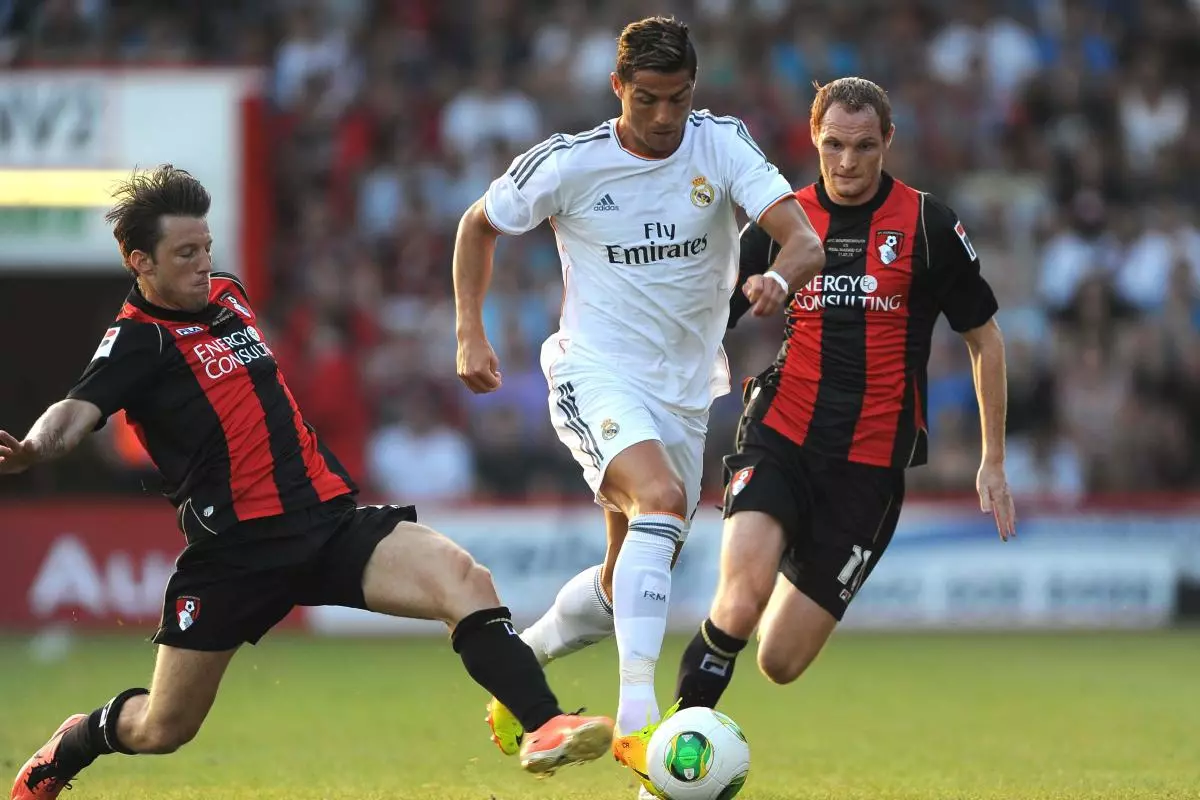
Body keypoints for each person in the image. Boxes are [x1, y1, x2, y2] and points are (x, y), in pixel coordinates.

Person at [3, 166, 613, 800]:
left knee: (465, 580)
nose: (202, 264)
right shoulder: (136, 341)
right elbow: (76, 410)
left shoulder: (230, 295)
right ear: (140, 262)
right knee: (164, 727)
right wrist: (34, 449)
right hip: (236, 554)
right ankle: (73, 742)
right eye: (184, 254)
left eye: (206, 248)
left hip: (324, 520)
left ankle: (543, 726)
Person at [451, 14, 825, 795]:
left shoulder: (719, 143)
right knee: (660, 501)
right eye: (647, 99)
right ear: (616, 87)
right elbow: (477, 225)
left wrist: (778, 281)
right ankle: (634, 724)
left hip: (687, 391)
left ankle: (518, 676)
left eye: (678, 99)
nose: (663, 118)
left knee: (631, 574)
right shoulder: (570, 163)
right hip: (596, 371)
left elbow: (803, 240)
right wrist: (470, 333)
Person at [672, 77, 1018, 712]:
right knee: (740, 601)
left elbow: (985, 340)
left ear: (888, 140)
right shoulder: (784, 218)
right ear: (814, 138)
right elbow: (704, 321)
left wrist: (992, 458)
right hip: (781, 431)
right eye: (834, 145)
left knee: (779, 661)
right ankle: (670, 753)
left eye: (864, 146)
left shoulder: (927, 225)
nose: (848, 163)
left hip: (869, 467)